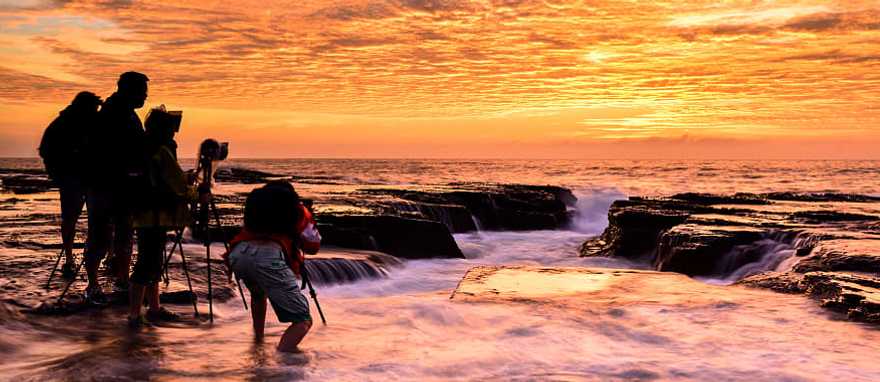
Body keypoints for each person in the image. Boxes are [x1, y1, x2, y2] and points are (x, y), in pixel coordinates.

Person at [225, 181, 321, 352]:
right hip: (268, 258)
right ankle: (281, 360)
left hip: (239, 254)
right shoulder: (297, 210)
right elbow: (313, 246)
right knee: (303, 320)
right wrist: (306, 217)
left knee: (258, 295)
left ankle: (258, 346)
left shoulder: (256, 205)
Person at [127, 106, 199, 328]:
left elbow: (163, 178)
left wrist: (185, 179)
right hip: (156, 215)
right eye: (171, 128)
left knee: (153, 261)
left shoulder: (142, 148)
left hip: (142, 212)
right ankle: (135, 315)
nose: (174, 132)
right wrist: (196, 192)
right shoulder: (161, 151)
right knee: (147, 263)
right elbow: (176, 184)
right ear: (164, 129)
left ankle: (153, 307)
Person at [82, 72, 149, 303]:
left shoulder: (121, 112)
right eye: (142, 91)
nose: (145, 96)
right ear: (130, 90)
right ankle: (94, 284)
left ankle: (119, 280)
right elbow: (125, 151)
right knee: (103, 235)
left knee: (119, 234)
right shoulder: (116, 114)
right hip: (106, 185)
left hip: (113, 185)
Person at [38, 91, 102, 279]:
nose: (96, 112)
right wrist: (62, 168)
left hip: (85, 178)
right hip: (72, 178)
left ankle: (75, 258)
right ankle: (69, 258)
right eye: (94, 108)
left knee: (84, 219)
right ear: (86, 107)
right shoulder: (62, 124)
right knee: (73, 219)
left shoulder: (84, 121)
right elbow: (45, 150)